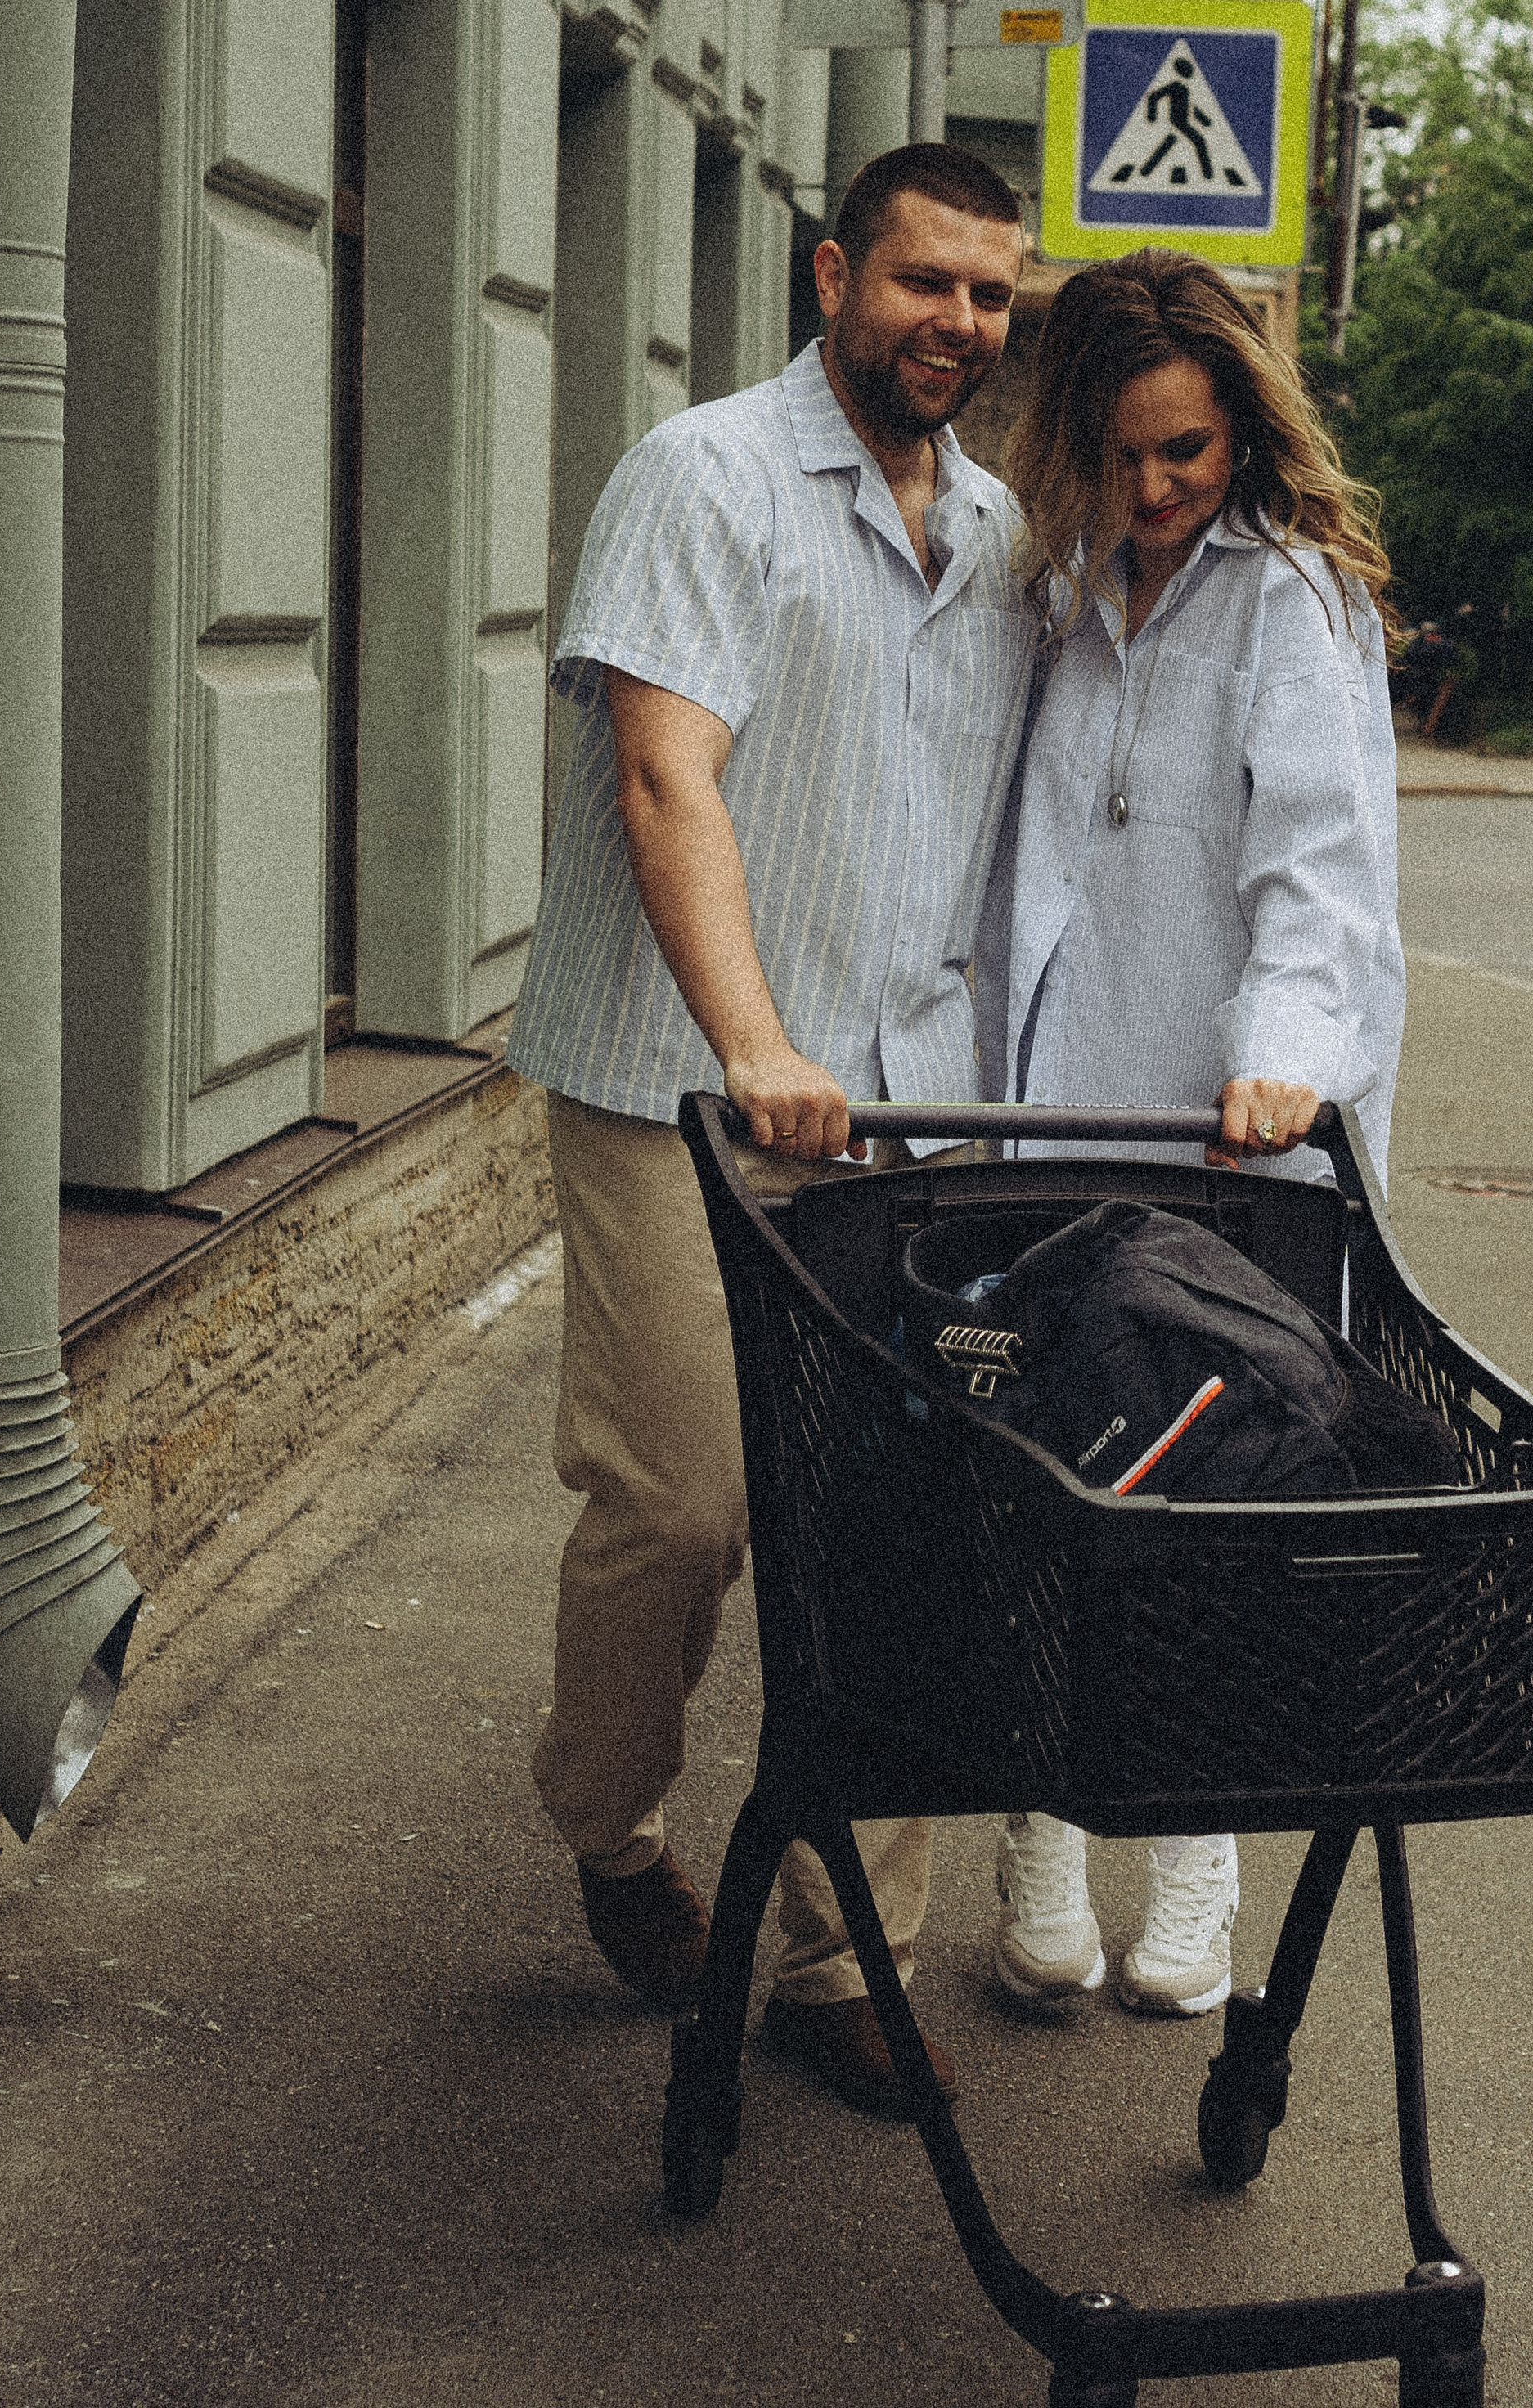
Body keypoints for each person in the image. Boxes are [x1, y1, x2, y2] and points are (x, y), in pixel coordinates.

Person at [506, 141, 1032, 2116]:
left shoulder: (992, 525)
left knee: (888, 1526)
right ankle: (606, 1820)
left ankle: (840, 1946)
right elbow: (665, 782)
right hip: (677, 1081)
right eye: (922, 284)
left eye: (988, 296)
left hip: (908, 1117)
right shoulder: (703, 476)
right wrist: (756, 1042)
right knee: (689, 1501)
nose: (956, 327)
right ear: (833, 274)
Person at [973, 249, 1405, 2020]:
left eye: (1190, 454)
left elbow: (1319, 868)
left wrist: (1283, 1059)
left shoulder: (1286, 598)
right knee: (1039, 1449)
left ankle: (1199, 1851)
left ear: (1241, 434)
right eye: (1127, 455)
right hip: (1036, 1097)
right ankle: (1041, 1820)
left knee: (1208, 1484)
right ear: (1074, 440)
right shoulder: (1054, 584)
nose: (1157, 490)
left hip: (1213, 1122)